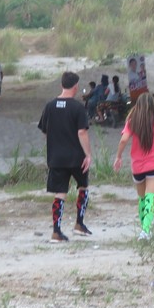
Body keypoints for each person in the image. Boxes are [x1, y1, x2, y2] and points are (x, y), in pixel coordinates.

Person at [112, 93, 154, 240]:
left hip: (137, 167)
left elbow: (123, 140)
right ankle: (146, 230)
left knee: (142, 199)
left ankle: (144, 229)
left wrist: (118, 157)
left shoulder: (132, 121)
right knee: (150, 198)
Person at [37, 71, 94, 241]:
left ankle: (56, 231)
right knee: (83, 187)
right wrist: (88, 154)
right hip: (76, 157)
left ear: (61, 85)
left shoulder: (49, 106)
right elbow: (82, 132)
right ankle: (79, 223)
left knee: (60, 192)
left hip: (56, 157)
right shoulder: (78, 107)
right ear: (75, 87)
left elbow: (44, 131)